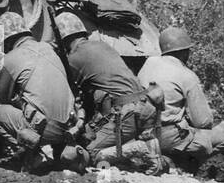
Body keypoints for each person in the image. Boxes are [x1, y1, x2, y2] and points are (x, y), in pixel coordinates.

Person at [0, 11, 84, 172]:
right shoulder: (49, 48)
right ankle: (65, 153)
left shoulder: (10, 58)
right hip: (70, 126)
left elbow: (2, 98)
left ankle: (32, 151)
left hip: (43, 129)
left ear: (6, 39)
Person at [58, 12, 158, 166]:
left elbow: (69, 96)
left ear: (64, 39)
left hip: (127, 112)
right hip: (146, 106)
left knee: (89, 152)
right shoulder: (102, 45)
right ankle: (143, 151)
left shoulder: (75, 58)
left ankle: (142, 149)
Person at [138, 27, 224, 164]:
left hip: (142, 132)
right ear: (183, 52)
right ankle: (178, 163)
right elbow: (203, 122)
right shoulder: (186, 75)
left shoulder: (148, 63)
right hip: (167, 138)